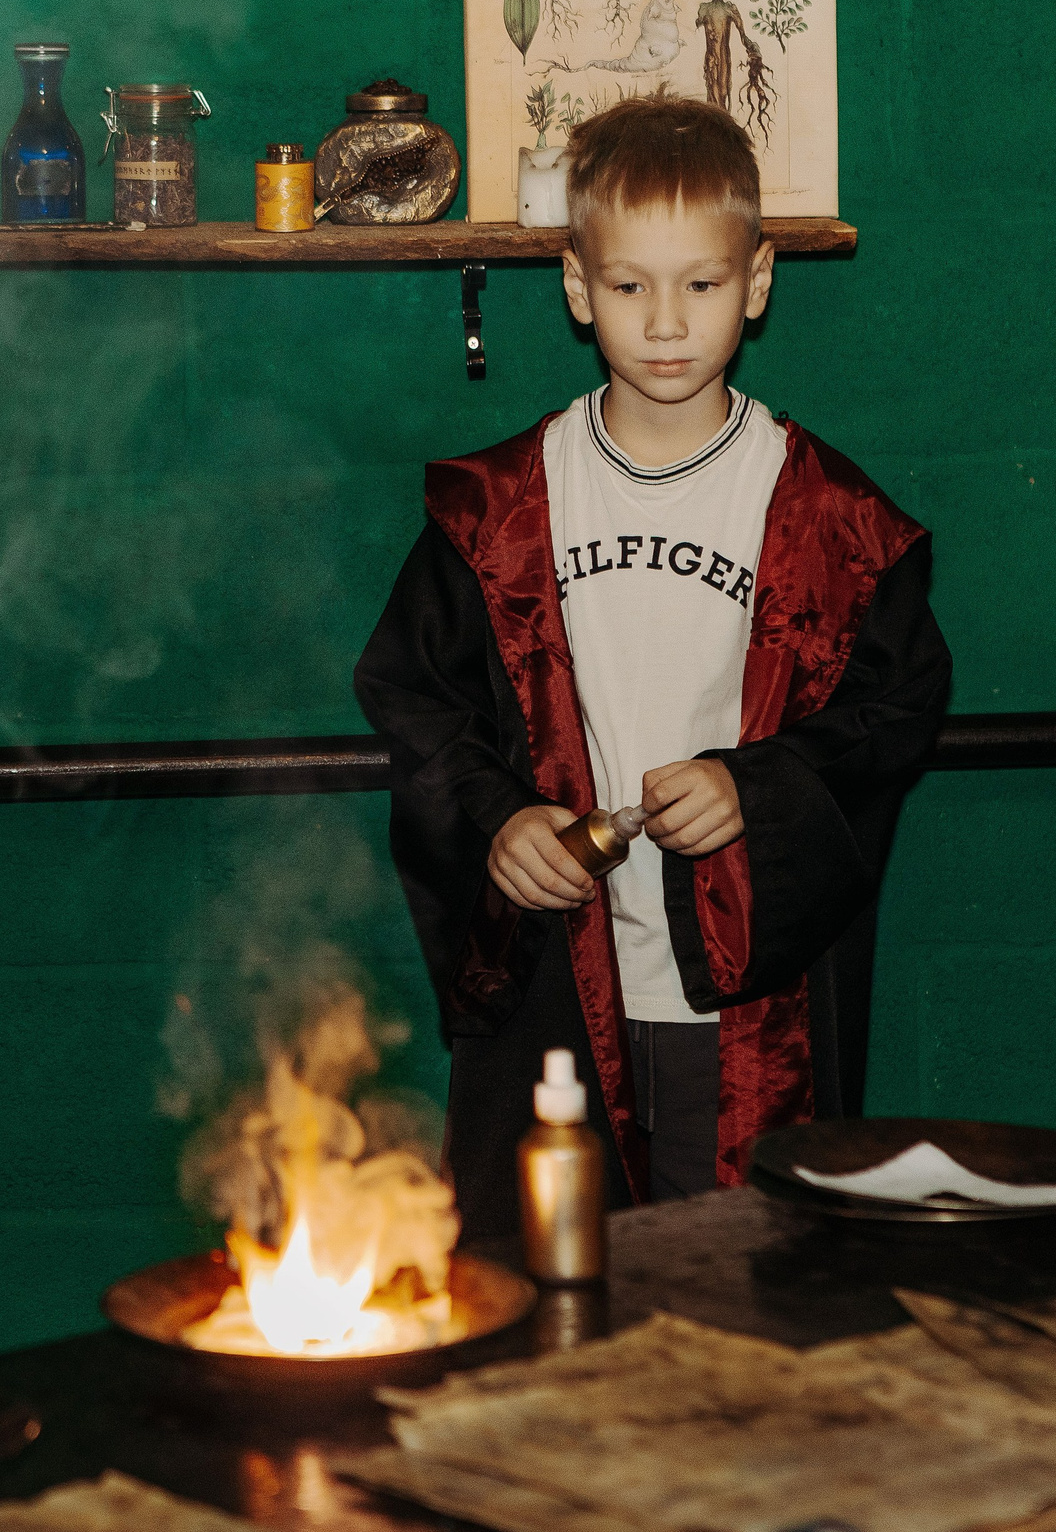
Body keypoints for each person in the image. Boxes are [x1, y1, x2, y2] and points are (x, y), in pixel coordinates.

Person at [353, 92, 949, 1238]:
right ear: (577, 288)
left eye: (702, 283)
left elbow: (897, 709)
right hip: (555, 987)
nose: (665, 322)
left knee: (732, 1308)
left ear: (759, 280)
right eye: (628, 286)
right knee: (542, 1318)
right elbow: (412, 695)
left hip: (736, 1002)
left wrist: (757, 789)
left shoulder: (828, 516)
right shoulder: (505, 507)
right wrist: (495, 819)